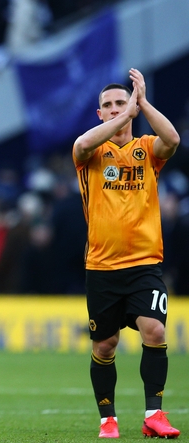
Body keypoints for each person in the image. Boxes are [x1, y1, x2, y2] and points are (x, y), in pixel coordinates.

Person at [72, 68, 181, 439]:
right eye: (109, 105)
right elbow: (82, 145)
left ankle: (154, 413)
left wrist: (144, 104)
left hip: (145, 265)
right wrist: (126, 113)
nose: (117, 108)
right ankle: (108, 419)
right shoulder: (90, 152)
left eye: (122, 101)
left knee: (154, 329)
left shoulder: (148, 149)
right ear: (99, 113)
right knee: (105, 345)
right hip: (101, 266)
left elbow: (174, 139)